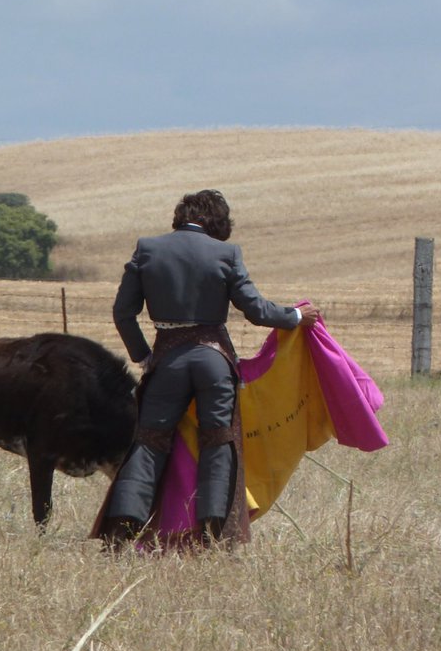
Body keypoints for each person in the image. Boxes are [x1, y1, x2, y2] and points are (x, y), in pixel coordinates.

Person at [99, 189, 321, 550]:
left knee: (148, 444)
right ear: (217, 222)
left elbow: (123, 313)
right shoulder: (225, 253)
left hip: (167, 360)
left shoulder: (148, 248)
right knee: (219, 444)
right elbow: (256, 310)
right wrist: (295, 316)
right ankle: (216, 538)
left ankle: (122, 535)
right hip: (213, 362)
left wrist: (143, 356)